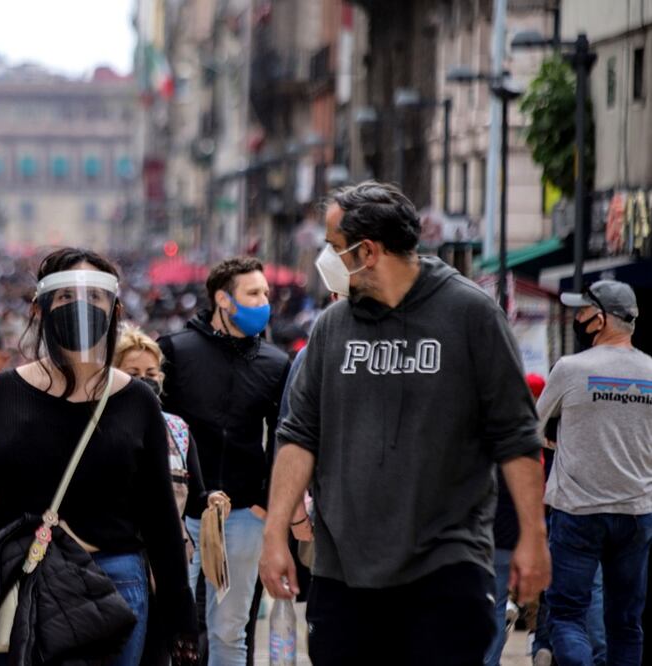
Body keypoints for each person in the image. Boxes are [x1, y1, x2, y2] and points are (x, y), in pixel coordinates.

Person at [261, 181, 550, 665]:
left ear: (368, 251)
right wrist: (275, 534)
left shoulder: (471, 314)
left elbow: (516, 435)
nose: (327, 259)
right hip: (344, 573)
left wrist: (533, 539)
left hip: (446, 568)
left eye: (334, 247)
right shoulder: (332, 326)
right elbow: (299, 434)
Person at [0, 247, 197, 665]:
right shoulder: (4, 393)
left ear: (114, 310)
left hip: (116, 586)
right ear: (40, 308)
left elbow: (160, 515)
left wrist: (180, 613)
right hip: (26, 582)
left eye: (95, 296)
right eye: (65, 296)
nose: (80, 306)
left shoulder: (137, 401)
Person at [157, 256, 290, 665]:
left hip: (245, 511)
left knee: (231, 631)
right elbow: (157, 428)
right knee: (171, 624)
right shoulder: (175, 350)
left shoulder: (275, 363)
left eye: (265, 293)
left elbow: (284, 436)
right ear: (223, 299)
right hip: (182, 513)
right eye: (253, 293)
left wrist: (266, 501)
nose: (264, 301)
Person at [537, 279, 652, 666]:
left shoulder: (570, 369)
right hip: (636, 512)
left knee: (567, 616)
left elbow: (532, 428)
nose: (578, 318)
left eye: (582, 311)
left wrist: (562, 441)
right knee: (627, 624)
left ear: (600, 320)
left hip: (577, 513)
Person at [114, 325, 211, 664]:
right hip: (117, 564)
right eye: (133, 373)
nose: (145, 380)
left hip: (167, 568)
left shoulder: (178, 430)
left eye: (151, 373)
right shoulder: (99, 426)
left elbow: (195, 498)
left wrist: (213, 500)